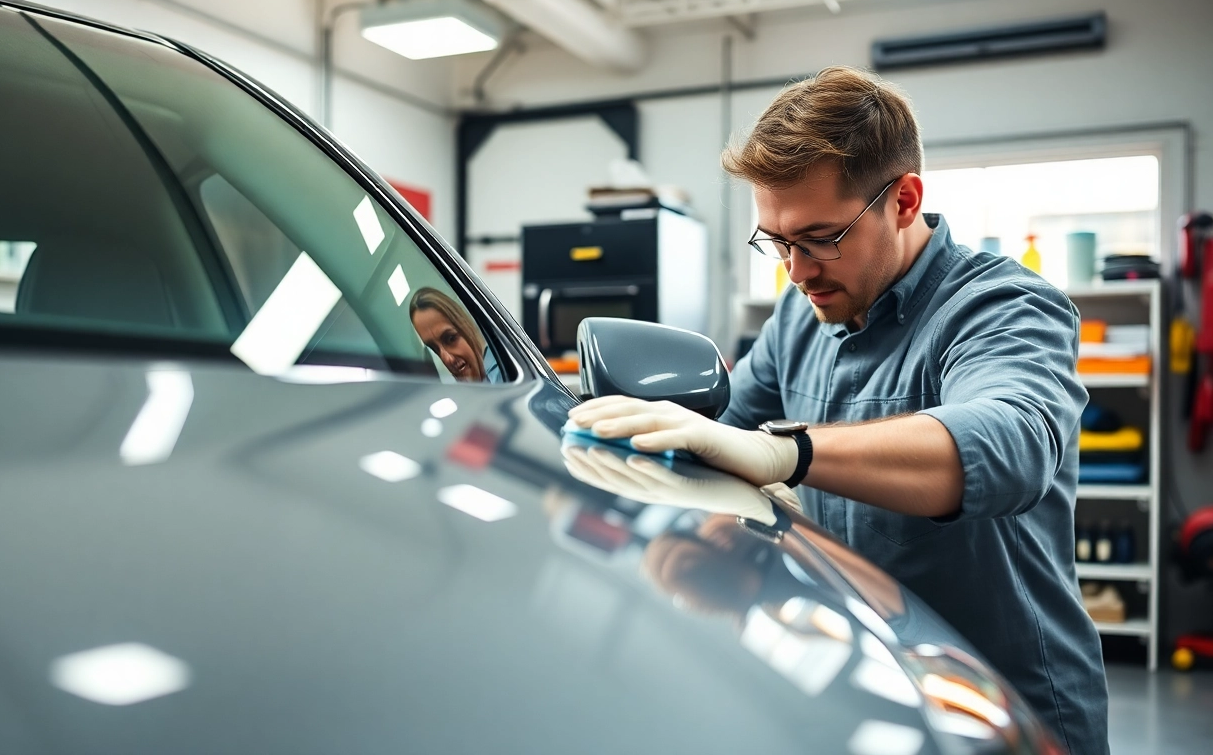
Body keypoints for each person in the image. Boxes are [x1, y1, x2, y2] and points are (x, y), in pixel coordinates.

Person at [567, 66, 1107, 754]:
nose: (796, 271)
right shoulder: (800, 315)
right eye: (777, 241)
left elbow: (1012, 444)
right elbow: (723, 437)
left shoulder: (1002, 307)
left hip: (1003, 713)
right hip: (863, 688)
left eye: (821, 238)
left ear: (904, 200)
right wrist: (708, 541)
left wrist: (784, 453)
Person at [408, 286, 500, 382]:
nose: (447, 359)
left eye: (451, 339)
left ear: (465, 326)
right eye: (435, 349)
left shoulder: (503, 371)